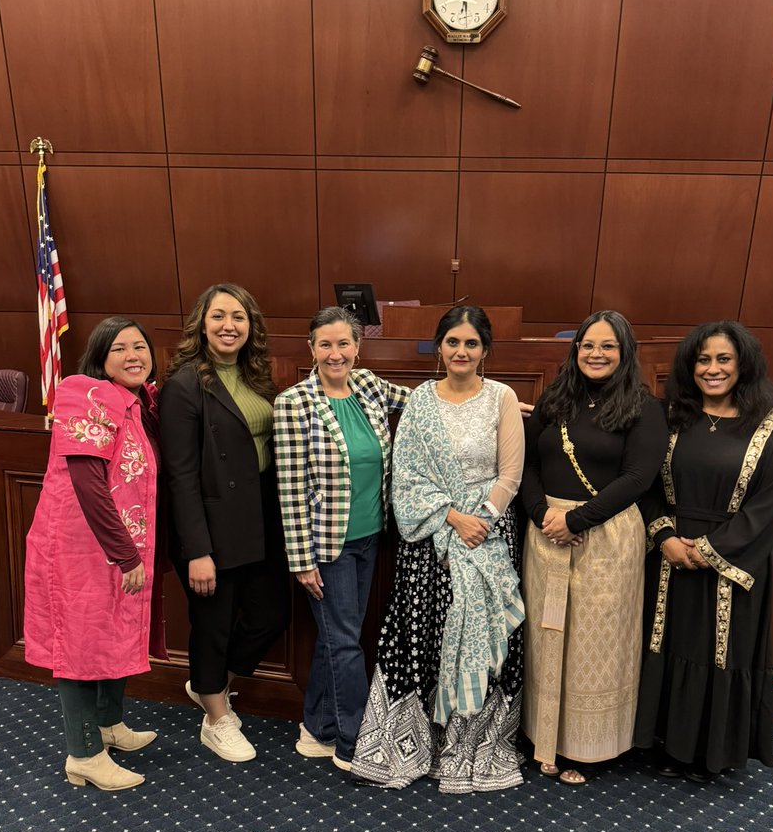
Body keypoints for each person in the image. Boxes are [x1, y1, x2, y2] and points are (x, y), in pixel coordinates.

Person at [351, 306, 526, 793]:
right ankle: (413, 741)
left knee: (483, 635)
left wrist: (481, 522)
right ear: (439, 348)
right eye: (453, 342)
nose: (461, 352)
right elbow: (405, 479)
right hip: (431, 541)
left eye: (471, 343)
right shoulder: (421, 402)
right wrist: (453, 519)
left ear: (484, 350)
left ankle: (471, 743)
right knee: (423, 632)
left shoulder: (502, 398)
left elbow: (510, 473)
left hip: (489, 538)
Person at [635, 321, 773, 782]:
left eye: (723, 359)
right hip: (669, 554)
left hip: (732, 557)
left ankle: (711, 753)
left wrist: (709, 549)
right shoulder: (670, 416)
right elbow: (643, 483)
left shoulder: (771, 423)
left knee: (721, 651)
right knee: (667, 641)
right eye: (703, 359)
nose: (712, 369)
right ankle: (667, 743)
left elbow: (772, 501)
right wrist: (665, 536)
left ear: (743, 363)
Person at [520, 310, 668, 785]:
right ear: (575, 350)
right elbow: (525, 461)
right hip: (546, 533)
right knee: (547, 635)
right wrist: (542, 513)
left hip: (605, 537)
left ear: (624, 353)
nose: (596, 354)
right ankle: (543, 736)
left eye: (607, 346)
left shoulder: (643, 407)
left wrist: (577, 519)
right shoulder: (556, 398)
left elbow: (638, 478)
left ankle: (586, 747)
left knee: (594, 641)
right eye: (588, 345)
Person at [24, 317, 165, 790]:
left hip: (115, 545)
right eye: (119, 347)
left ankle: (108, 725)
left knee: (112, 633)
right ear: (100, 358)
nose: (133, 355)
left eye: (140, 346)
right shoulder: (83, 392)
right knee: (81, 645)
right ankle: (83, 752)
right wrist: (126, 555)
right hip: (80, 547)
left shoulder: (135, 403)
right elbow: (87, 481)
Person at [273, 306, 411, 771]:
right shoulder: (295, 402)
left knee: (339, 638)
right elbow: (290, 488)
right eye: (325, 344)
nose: (336, 353)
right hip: (326, 546)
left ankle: (316, 728)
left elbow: (428, 402)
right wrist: (301, 559)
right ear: (311, 349)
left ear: (358, 347)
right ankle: (354, 741)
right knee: (348, 643)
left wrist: (494, 401)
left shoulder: (369, 386)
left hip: (371, 536)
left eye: (344, 343)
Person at [158, 283, 289, 764]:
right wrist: (197, 549)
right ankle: (215, 717)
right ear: (202, 324)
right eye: (218, 316)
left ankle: (209, 683)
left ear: (250, 325)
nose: (228, 325)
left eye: (238, 316)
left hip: (260, 518)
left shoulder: (257, 376)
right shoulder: (185, 384)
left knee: (270, 615)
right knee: (211, 624)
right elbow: (180, 476)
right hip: (211, 526)